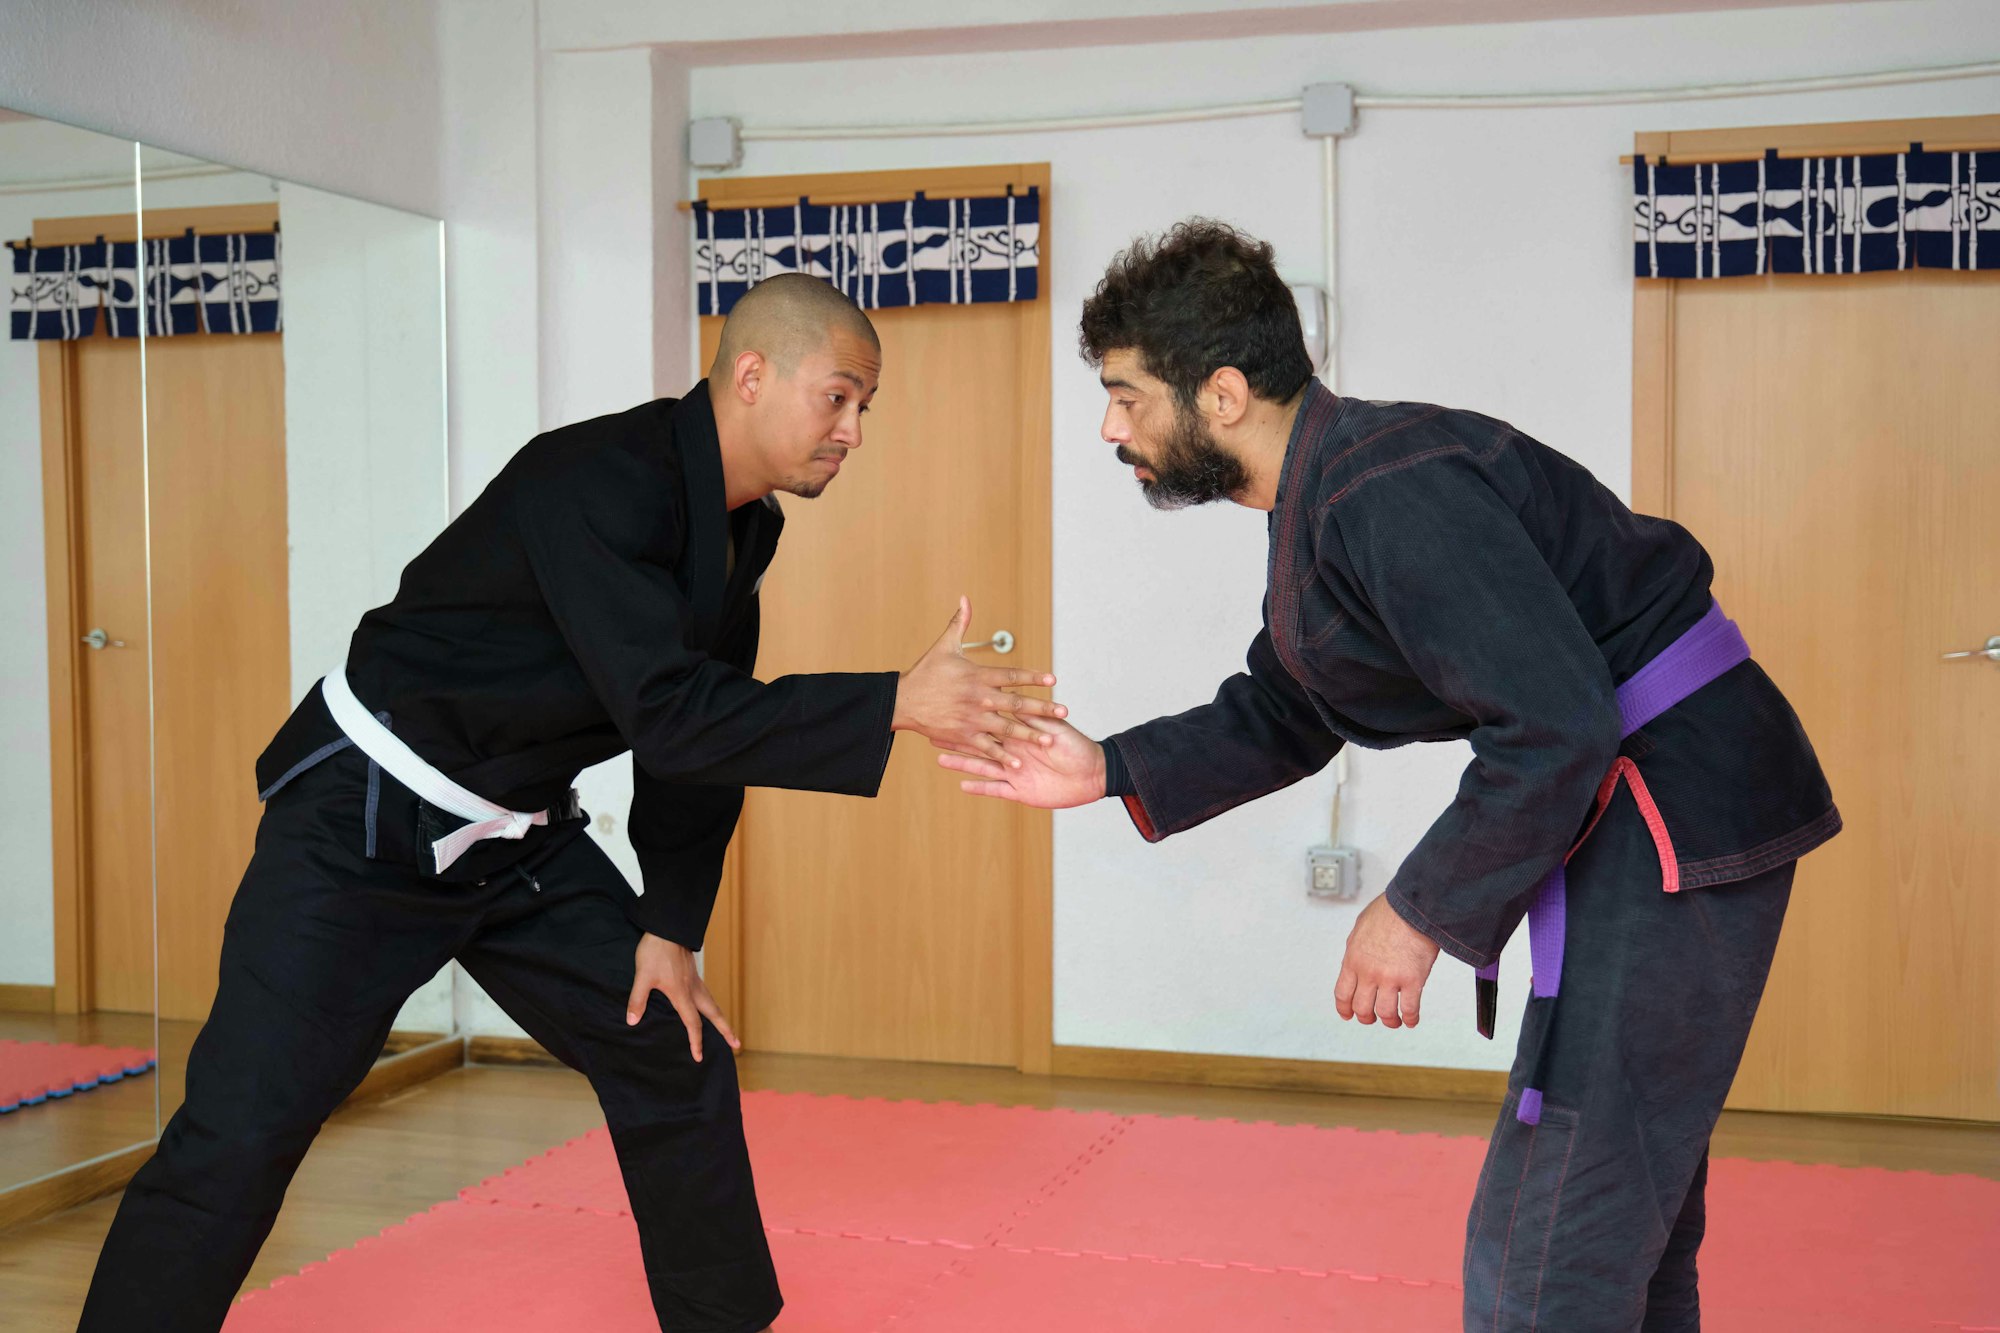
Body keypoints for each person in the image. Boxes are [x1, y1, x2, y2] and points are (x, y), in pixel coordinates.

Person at [78, 274, 1062, 1333]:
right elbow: (672, 714)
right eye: (838, 397)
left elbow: (696, 750)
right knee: (241, 1131)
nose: (854, 430)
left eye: (865, 406)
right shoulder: (594, 479)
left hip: (518, 843)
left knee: (674, 1049)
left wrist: (669, 927)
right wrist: (894, 704)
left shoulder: (742, 532)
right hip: (363, 824)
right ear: (750, 375)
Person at [946, 221, 1840, 1331]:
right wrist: (1107, 768)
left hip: (1671, 800)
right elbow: (1289, 702)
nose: (1109, 426)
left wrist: (1415, 911)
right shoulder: (1327, 490)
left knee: (1554, 1233)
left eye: (1127, 396)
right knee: (1612, 1211)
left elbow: (1555, 722)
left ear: (1219, 394)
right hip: (1659, 797)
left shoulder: (1384, 487)